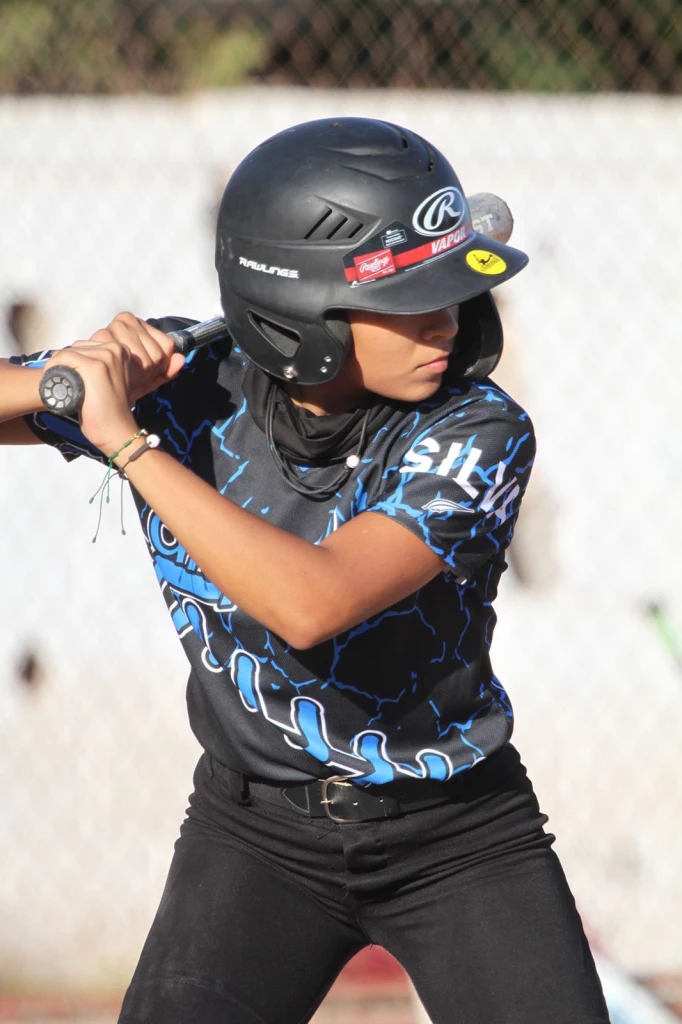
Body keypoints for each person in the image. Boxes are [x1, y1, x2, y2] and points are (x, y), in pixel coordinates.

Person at [0, 117, 610, 1024]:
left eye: (451, 289)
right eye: (411, 299)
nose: (446, 320)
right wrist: (88, 368)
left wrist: (124, 440)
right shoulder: (188, 384)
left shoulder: (478, 431)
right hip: (254, 833)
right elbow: (38, 396)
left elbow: (311, 600)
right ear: (295, 317)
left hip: (457, 829)